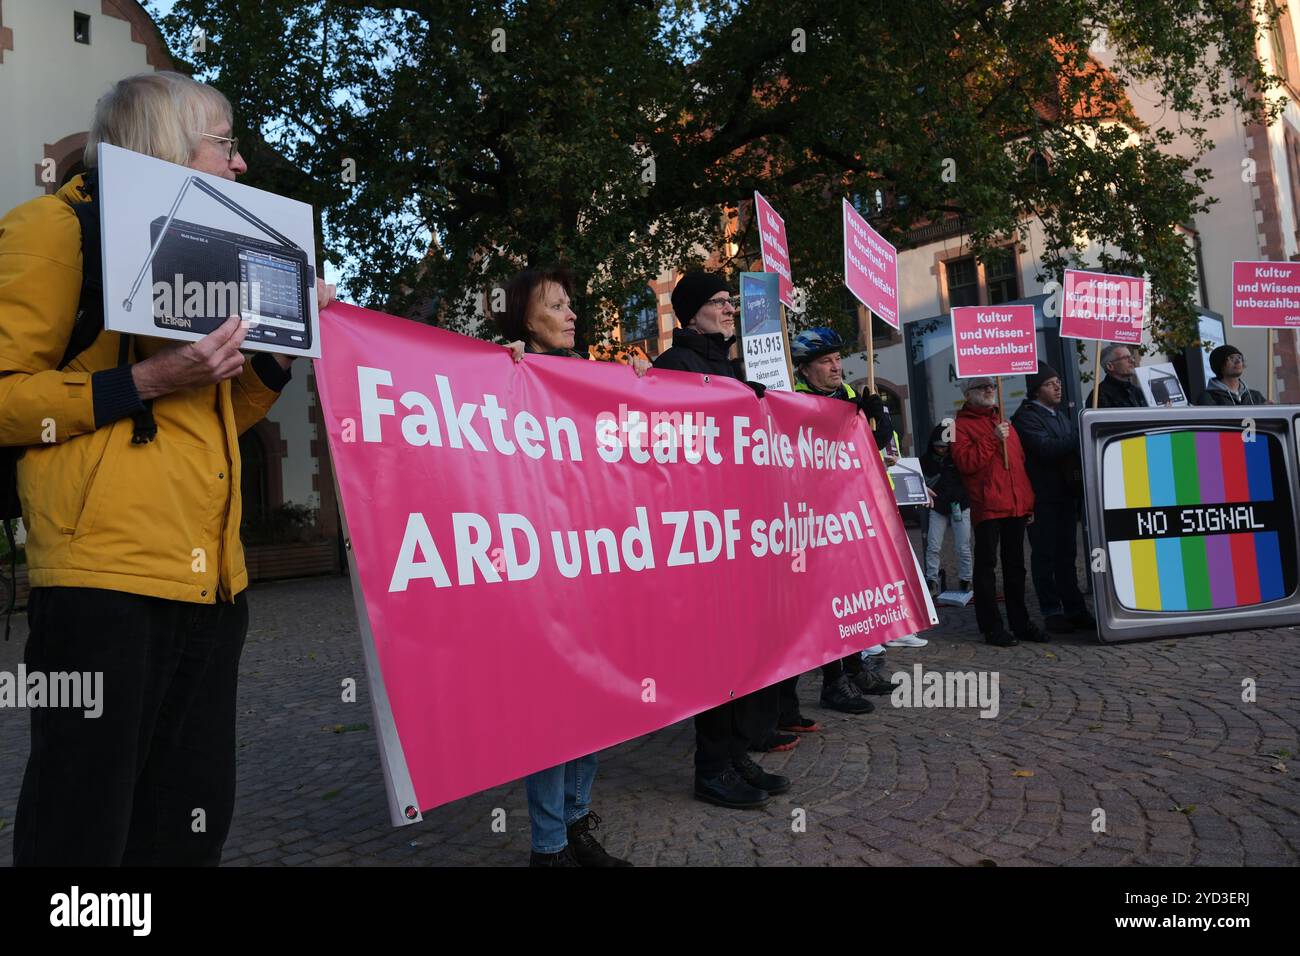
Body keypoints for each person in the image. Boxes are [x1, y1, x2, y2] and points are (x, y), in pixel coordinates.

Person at [1, 72, 335, 866]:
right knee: (82, 826)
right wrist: (146, 379)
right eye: (225, 144)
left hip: (214, 585)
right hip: (103, 583)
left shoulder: (213, 256)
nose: (242, 165)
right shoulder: (54, 229)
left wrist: (274, 364)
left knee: (186, 822)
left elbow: (214, 419)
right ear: (164, 142)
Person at [496, 266, 643, 867]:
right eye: (556, 305)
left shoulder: (590, 377)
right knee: (551, 714)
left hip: (596, 568)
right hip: (540, 574)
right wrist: (491, 367)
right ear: (525, 321)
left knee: (594, 707)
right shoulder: (504, 372)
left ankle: (578, 822)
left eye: (570, 304)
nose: (571, 313)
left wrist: (640, 385)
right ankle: (549, 847)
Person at [654, 271, 790, 810]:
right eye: (718, 302)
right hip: (700, 536)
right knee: (713, 658)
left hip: (739, 534)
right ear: (691, 312)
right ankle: (710, 767)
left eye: (730, 301)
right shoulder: (674, 367)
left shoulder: (725, 364)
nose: (729, 309)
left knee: (740, 653)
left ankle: (734, 753)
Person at [778, 327, 898, 733]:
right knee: (824, 602)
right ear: (806, 369)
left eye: (837, 360)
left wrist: (877, 417)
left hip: (849, 512)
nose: (836, 367)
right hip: (812, 517)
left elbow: (870, 444)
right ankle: (833, 682)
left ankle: (856, 666)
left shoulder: (847, 395)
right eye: (826, 361)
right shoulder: (791, 397)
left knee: (852, 596)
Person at [951, 378, 1044, 647]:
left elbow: (1018, 465)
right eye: (983, 387)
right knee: (986, 569)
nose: (990, 389)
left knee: (1016, 568)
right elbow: (966, 463)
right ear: (969, 394)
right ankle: (991, 626)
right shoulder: (958, 426)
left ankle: (1020, 622)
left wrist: (1027, 502)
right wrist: (992, 440)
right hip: (988, 505)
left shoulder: (1004, 422)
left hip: (1014, 505)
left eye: (991, 385)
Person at [1011, 364, 1095, 635]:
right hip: (1042, 498)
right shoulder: (1026, 417)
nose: (1057, 387)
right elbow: (1045, 448)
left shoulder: (1059, 416)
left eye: (1058, 382)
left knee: (1067, 557)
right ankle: (1052, 611)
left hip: (1065, 495)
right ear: (1037, 390)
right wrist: (1079, 433)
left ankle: (1075, 609)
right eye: (1050, 383)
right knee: (1045, 556)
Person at [919, 422, 972, 595]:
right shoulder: (925, 461)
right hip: (939, 506)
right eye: (938, 446)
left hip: (959, 505)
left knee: (962, 545)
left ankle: (966, 579)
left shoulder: (957, 457)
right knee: (933, 545)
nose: (942, 450)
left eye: (945, 446)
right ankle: (932, 580)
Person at [1197, 345, 1267, 405]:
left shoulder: (1255, 396)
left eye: (1239, 357)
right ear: (1219, 364)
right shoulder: (1208, 398)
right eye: (1231, 358)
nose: (1238, 361)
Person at [1085, 343, 1148, 408]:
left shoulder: (1137, 391)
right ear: (1110, 366)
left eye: (1131, 357)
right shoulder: (1098, 395)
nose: (1132, 360)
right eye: (1126, 358)